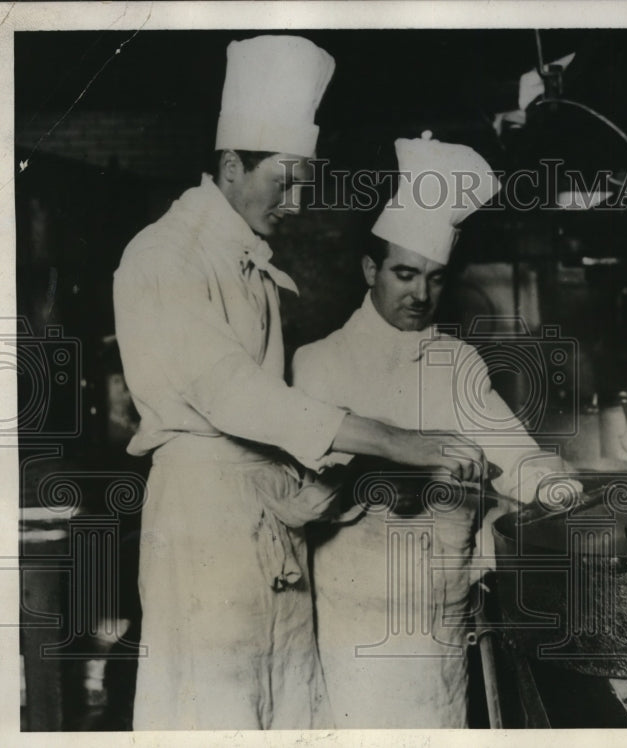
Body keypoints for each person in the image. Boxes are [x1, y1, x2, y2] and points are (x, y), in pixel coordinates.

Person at [112, 38, 485, 731]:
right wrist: (399, 441)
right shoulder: (166, 255)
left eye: (306, 178)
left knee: (290, 712)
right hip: (206, 532)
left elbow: (268, 424)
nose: (299, 198)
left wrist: (327, 488)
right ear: (230, 165)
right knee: (218, 715)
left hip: (265, 522)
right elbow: (233, 395)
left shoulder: (245, 258)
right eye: (285, 177)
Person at [292, 133, 581, 728]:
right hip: (357, 615)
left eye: (435, 277)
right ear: (370, 268)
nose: (420, 294)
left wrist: (560, 489)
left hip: (444, 612)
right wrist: (387, 474)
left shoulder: (458, 363)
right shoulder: (320, 363)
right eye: (404, 273)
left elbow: (516, 457)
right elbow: (304, 497)